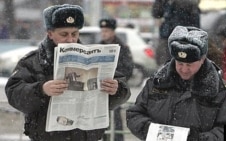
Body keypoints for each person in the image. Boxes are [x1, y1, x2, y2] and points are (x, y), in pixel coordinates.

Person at [5, 4, 131, 141]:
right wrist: (41, 89)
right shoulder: (33, 61)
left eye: (75, 34)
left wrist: (116, 89)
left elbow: (124, 91)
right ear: (50, 33)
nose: (70, 39)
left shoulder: (94, 58)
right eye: (64, 34)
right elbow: (13, 93)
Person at [126, 26, 226, 141]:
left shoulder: (221, 90)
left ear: (202, 59)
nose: (184, 69)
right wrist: (152, 131)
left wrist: (198, 139)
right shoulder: (157, 82)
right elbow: (134, 114)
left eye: (190, 64)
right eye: (180, 63)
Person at [98, 18, 134, 141]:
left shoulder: (122, 48)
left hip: (115, 88)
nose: (104, 33)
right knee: (102, 118)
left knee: (116, 117)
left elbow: (128, 68)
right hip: (101, 88)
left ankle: (118, 138)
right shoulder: (99, 46)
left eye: (107, 30)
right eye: (102, 30)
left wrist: (118, 81)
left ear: (113, 31)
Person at [152, 0, 200, 67]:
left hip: (180, 38)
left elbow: (194, 23)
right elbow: (156, 13)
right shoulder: (166, 3)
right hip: (169, 37)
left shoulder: (186, 4)